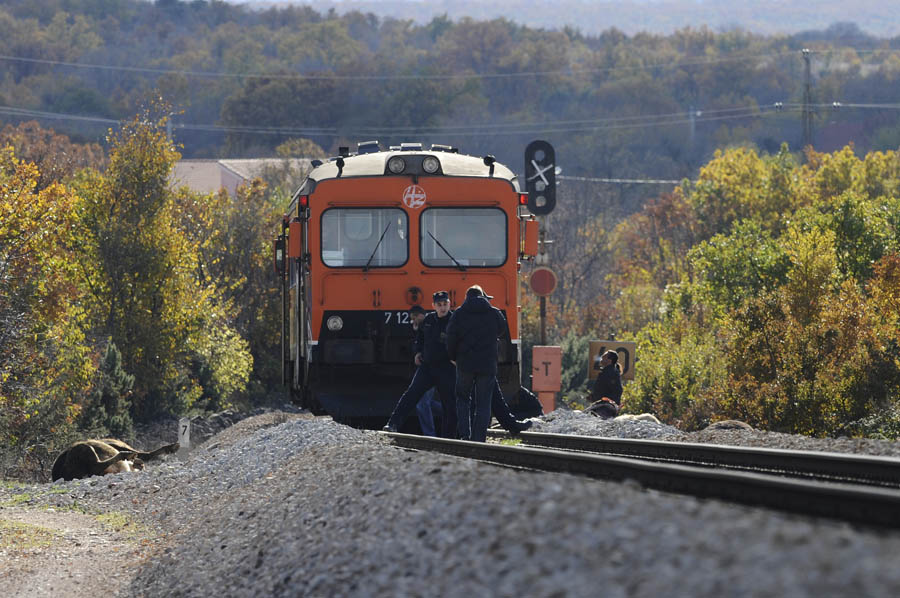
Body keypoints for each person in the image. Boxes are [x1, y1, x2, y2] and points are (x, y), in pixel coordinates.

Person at [383, 291, 457, 437]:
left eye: (445, 304)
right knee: (411, 394)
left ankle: (449, 437)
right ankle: (392, 424)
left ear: (449, 304)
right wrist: (417, 352)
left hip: (446, 368)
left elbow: (462, 341)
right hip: (427, 367)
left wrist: (457, 358)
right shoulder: (428, 320)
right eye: (439, 305)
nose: (442, 307)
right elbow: (420, 339)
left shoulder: (455, 321)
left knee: (449, 403)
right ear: (433, 306)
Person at [446, 284, 508, 442]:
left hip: (464, 364)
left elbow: (451, 337)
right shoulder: (494, 313)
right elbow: (502, 329)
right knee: (483, 403)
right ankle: (479, 438)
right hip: (487, 365)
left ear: (467, 297)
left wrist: (453, 357)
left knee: (463, 399)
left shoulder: (458, 314)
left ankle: (465, 434)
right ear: (482, 296)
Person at [587, 350, 623, 419]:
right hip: (601, 406)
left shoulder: (612, 373)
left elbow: (618, 391)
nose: (601, 359)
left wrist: (609, 401)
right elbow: (603, 389)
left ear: (609, 360)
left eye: (604, 357)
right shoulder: (606, 372)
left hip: (606, 408)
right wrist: (593, 397)